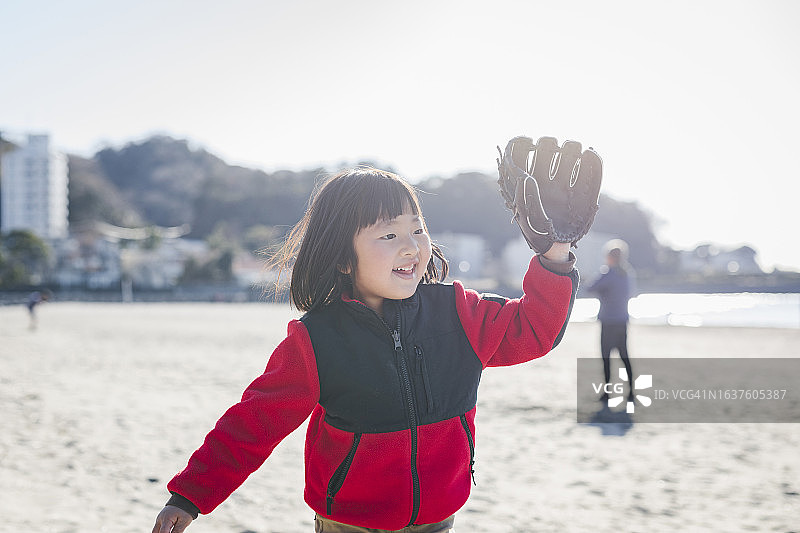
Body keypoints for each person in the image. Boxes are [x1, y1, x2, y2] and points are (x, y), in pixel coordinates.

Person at [151, 167, 579, 533]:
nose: (411, 246)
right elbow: (254, 423)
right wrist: (189, 497)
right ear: (342, 257)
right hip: (350, 523)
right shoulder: (316, 339)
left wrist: (555, 256)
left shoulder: (457, 312)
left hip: (439, 517)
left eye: (417, 229)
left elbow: (535, 329)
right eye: (389, 234)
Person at [587, 239, 635, 402]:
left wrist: (603, 272)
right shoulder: (627, 273)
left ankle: (607, 392)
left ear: (610, 257)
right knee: (624, 356)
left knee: (606, 358)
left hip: (608, 321)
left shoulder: (608, 273)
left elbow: (590, 287)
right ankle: (631, 392)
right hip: (622, 321)